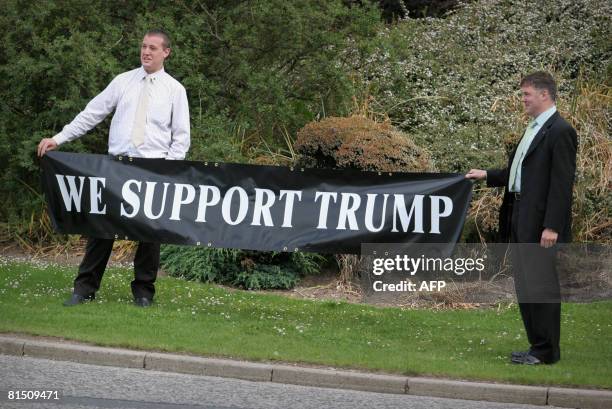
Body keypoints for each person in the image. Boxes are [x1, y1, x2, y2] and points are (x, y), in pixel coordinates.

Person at [37, 29, 190, 308]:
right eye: (144, 46)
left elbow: (181, 138)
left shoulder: (175, 90)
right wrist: (59, 138)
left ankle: (144, 293)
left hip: (153, 170)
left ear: (166, 52)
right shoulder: (123, 81)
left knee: (149, 234)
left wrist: (168, 173)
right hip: (116, 167)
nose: (146, 52)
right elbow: (92, 112)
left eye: (153, 48)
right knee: (102, 229)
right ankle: (84, 289)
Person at [466, 71, 577, 365]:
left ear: (544, 94)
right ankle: (536, 347)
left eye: (526, 94)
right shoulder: (532, 128)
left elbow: (561, 185)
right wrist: (487, 175)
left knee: (541, 286)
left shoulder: (560, 131)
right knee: (526, 285)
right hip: (518, 216)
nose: (523, 100)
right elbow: (517, 173)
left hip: (541, 224)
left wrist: (552, 226)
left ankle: (547, 351)